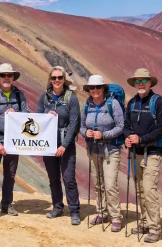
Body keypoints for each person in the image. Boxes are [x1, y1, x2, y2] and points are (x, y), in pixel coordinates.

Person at [0, 63, 29, 222]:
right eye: (3, 75)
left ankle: (7, 204)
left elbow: (27, 114)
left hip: (14, 140)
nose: (7, 78)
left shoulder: (19, 94)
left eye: (9, 75)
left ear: (13, 78)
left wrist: (17, 113)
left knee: (10, 174)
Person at [37, 66, 81, 225]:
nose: (57, 80)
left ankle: (74, 210)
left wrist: (64, 145)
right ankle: (57, 206)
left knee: (68, 178)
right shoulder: (44, 98)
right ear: (50, 80)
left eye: (59, 78)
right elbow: (37, 119)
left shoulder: (71, 98)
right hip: (48, 144)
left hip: (66, 144)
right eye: (54, 78)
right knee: (53, 178)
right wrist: (45, 116)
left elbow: (74, 123)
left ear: (64, 80)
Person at [80, 75, 124, 232]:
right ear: (89, 90)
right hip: (93, 150)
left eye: (98, 87)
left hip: (110, 150)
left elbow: (120, 126)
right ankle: (101, 212)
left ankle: (116, 217)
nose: (95, 90)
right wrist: (87, 133)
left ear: (104, 89)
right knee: (98, 183)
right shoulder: (86, 105)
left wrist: (103, 135)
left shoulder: (113, 104)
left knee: (110, 184)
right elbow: (81, 126)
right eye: (92, 88)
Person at [124, 68, 162, 243]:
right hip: (136, 153)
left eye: (143, 81)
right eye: (137, 81)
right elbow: (126, 125)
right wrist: (128, 138)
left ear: (150, 82)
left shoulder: (157, 102)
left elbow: (161, 129)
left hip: (153, 152)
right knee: (140, 189)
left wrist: (140, 139)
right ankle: (145, 222)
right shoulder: (132, 103)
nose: (140, 84)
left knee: (149, 189)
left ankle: (155, 228)